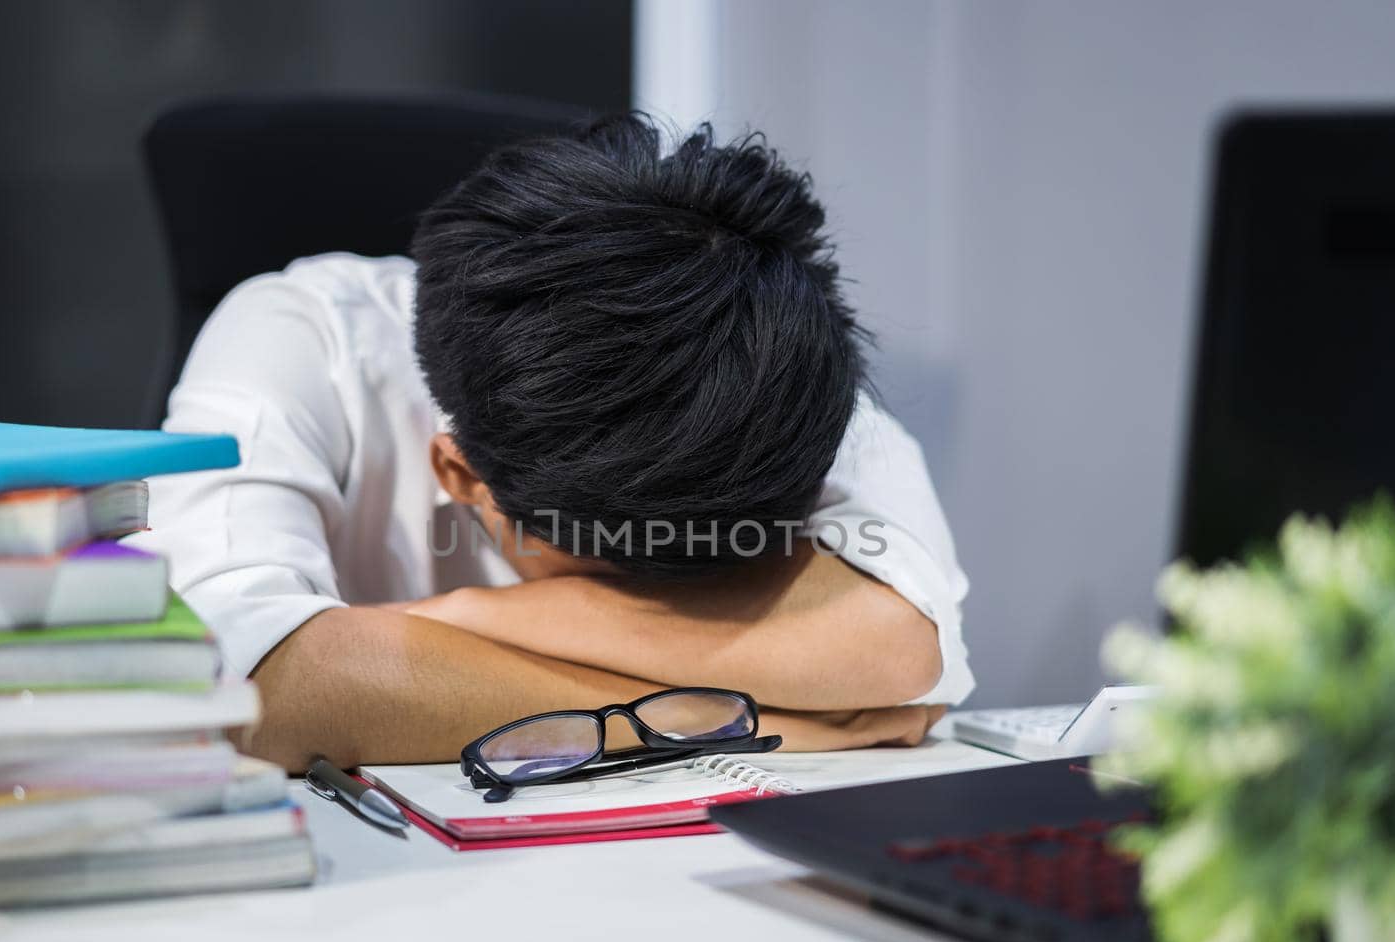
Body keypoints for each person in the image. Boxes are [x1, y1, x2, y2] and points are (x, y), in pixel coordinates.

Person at [129, 114, 974, 770]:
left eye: (722, 575)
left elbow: (898, 642)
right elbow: (247, 686)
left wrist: (460, 619)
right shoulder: (298, 337)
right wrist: (720, 720)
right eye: (615, 569)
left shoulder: (778, 366)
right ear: (462, 475)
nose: (662, 596)